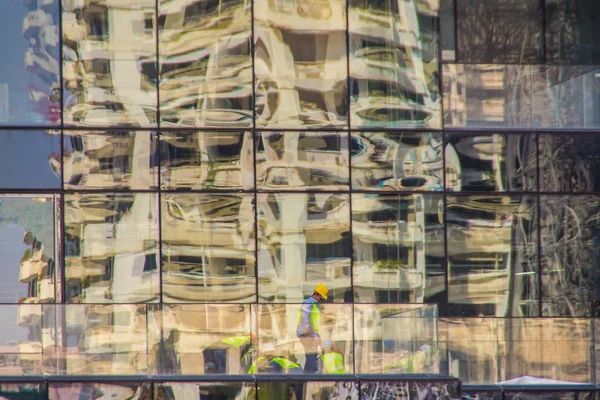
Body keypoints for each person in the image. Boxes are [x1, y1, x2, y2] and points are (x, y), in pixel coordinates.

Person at [296, 284, 328, 374]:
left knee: (312, 352)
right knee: (311, 350)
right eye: (321, 298)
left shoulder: (315, 305)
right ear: (316, 294)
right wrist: (307, 330)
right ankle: (312, 371)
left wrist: (317, 336)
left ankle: (307, 372)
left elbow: (314, 324)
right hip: (305, 332)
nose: (321, 300)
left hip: (310, 332)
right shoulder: (308, 302)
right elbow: (305, 315)